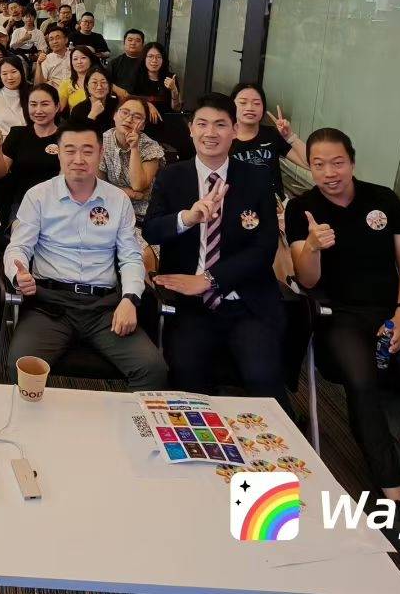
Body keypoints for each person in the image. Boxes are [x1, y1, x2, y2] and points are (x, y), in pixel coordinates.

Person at [287, 128, 400, 503]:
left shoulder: (384, 200)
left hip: (390, 313)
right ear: (309, 167)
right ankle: (391, 488)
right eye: (318, 164)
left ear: (352, 162)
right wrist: (313, 247)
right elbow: (307, 279)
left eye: (338, 162)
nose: (329, 172)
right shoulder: (301, 209)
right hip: (339, 319)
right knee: (362, 381)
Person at [142, 93, 286, 408]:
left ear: (234, 130)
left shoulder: (257, 178)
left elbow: (264, 249)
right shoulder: (172, 176)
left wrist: (210, 279)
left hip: (245, 302)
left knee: (264, 379)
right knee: (187, 380)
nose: (211, 133)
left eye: (221, 124)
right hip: (191, 307)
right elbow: (151, 230)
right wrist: (188, 218)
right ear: (190, 129)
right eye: (202, 124)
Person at [5, 123, 168, 389]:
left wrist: (130, 299)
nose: (78, 159)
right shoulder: (38, 196)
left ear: (100, 153)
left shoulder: (117, 200)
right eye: (70, 150)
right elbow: (18, 248)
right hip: (50, 306)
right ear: (58, 153)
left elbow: (130, 257)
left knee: (152, 369)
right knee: (19, 365)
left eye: (87, 151)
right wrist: (17, 273)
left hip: (104, 308)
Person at [0, 83, 64, 227]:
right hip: (22, 204)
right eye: (33, 104)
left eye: (45, 104)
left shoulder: (66, 137)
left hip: (57, 205)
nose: (38, 110)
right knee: (20, 234)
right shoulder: (18, 134)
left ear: (57, 107)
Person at [231, 83, 307, 201]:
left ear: (263, 107)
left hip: (275, 207)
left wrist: (290, 137)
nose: (250, 107)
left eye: (257, 103)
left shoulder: (271, 134)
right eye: (243, 102)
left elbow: (308, 163)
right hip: (237, 206)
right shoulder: (223, 139)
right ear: (232, 105)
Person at [101, 97, 169, 223]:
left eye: (137, 117)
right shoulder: (102, 141)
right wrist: (127, 193)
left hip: (140, 215)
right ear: (115, 115)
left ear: (143, 125)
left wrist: (134, 148)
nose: (128, 119)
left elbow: (138, 185)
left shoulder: (150, 147)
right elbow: (97, 183)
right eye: (124, 112)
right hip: (108, 206)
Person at [131, 42, 179, 113]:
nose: (154, 60)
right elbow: (130, 103)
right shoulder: (135, 76)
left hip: (165, 117)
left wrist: (174, 89)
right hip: (141, 116)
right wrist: (148, 105)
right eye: (150, 56)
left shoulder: (170, 78)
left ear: (163, 59)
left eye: (158, 57)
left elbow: (176, 108)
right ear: (144, 58)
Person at [76, 65, 119, 135]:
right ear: (87, 86)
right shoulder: (78, 109)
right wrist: (92, 115)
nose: (99, 87)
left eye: (103, 82)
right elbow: (78, 136)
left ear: (109, 85)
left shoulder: (118, 105)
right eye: (94, 82)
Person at [108, 29, 147, 96]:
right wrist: (117, 89)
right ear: (124, 43)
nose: (133, 43)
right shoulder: (114, 63)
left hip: (142, 98)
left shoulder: (148, 62)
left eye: (137, 41)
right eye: (130, 40)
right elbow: (106, 82)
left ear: (143, 44)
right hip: (119, 98)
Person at [59, 46, 97, 111]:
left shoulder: (100, 80)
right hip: (75, 117)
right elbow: (58, 109)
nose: (79, 62)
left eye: (83, 58)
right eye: (75, 59)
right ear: (71, 62)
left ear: (91, 60)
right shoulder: (66, 83)